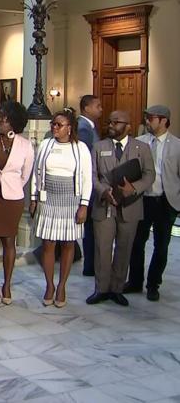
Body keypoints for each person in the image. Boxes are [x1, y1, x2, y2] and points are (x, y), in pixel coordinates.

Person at [87, 110, 155, 307]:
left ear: (128, 126)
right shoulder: (99, 147)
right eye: (110, 121)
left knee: (124, 249)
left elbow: (149, 175)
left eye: (116, 122)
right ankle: (101, 289)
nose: (111, 125)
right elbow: (92, 176)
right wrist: (103, 191)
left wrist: (134, 188)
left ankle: (117, 288)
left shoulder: (141, 148)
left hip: (130, 206)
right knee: (102, 249)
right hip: (104, 205)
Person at [30, 109, 92, 308]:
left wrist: (84, 205)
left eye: (59, 125)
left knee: (68, 244)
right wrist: (34, 197)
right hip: (48, 199)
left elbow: (86, 178)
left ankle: (62, 285)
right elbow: (36, 173)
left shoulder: (80, 148)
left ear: (69, 128)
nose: (54, 128)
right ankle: (49, 285)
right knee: (48, 243)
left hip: (71, 200)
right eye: (53, 124)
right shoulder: (46, 144)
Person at [0, 102, 34, 305]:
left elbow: (25, 175)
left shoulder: (25, 146)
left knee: (9, 241)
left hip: (13, 199)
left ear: (13, 124)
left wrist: (12, 187)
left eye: (4, 120)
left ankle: (7, 284)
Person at [127, 105, 180, 301]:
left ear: (164, 120)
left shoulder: (177, 145)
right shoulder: (139, 143)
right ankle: (134, 281)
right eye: (146, 119)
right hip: (142, 200)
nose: (147, 122)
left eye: (151, 119)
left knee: (161, 245)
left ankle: (153, 284)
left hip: (166, 201)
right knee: (137, 242)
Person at [78, 94, 103, 276]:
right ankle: (90, 266)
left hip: (93, 183)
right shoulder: (84, 129)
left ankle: (91, 264)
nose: (101, 109)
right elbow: (86, 159)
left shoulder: (90, 127)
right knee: (91, 228)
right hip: (90, 184)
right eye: (97, 106)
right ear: (86, 108)